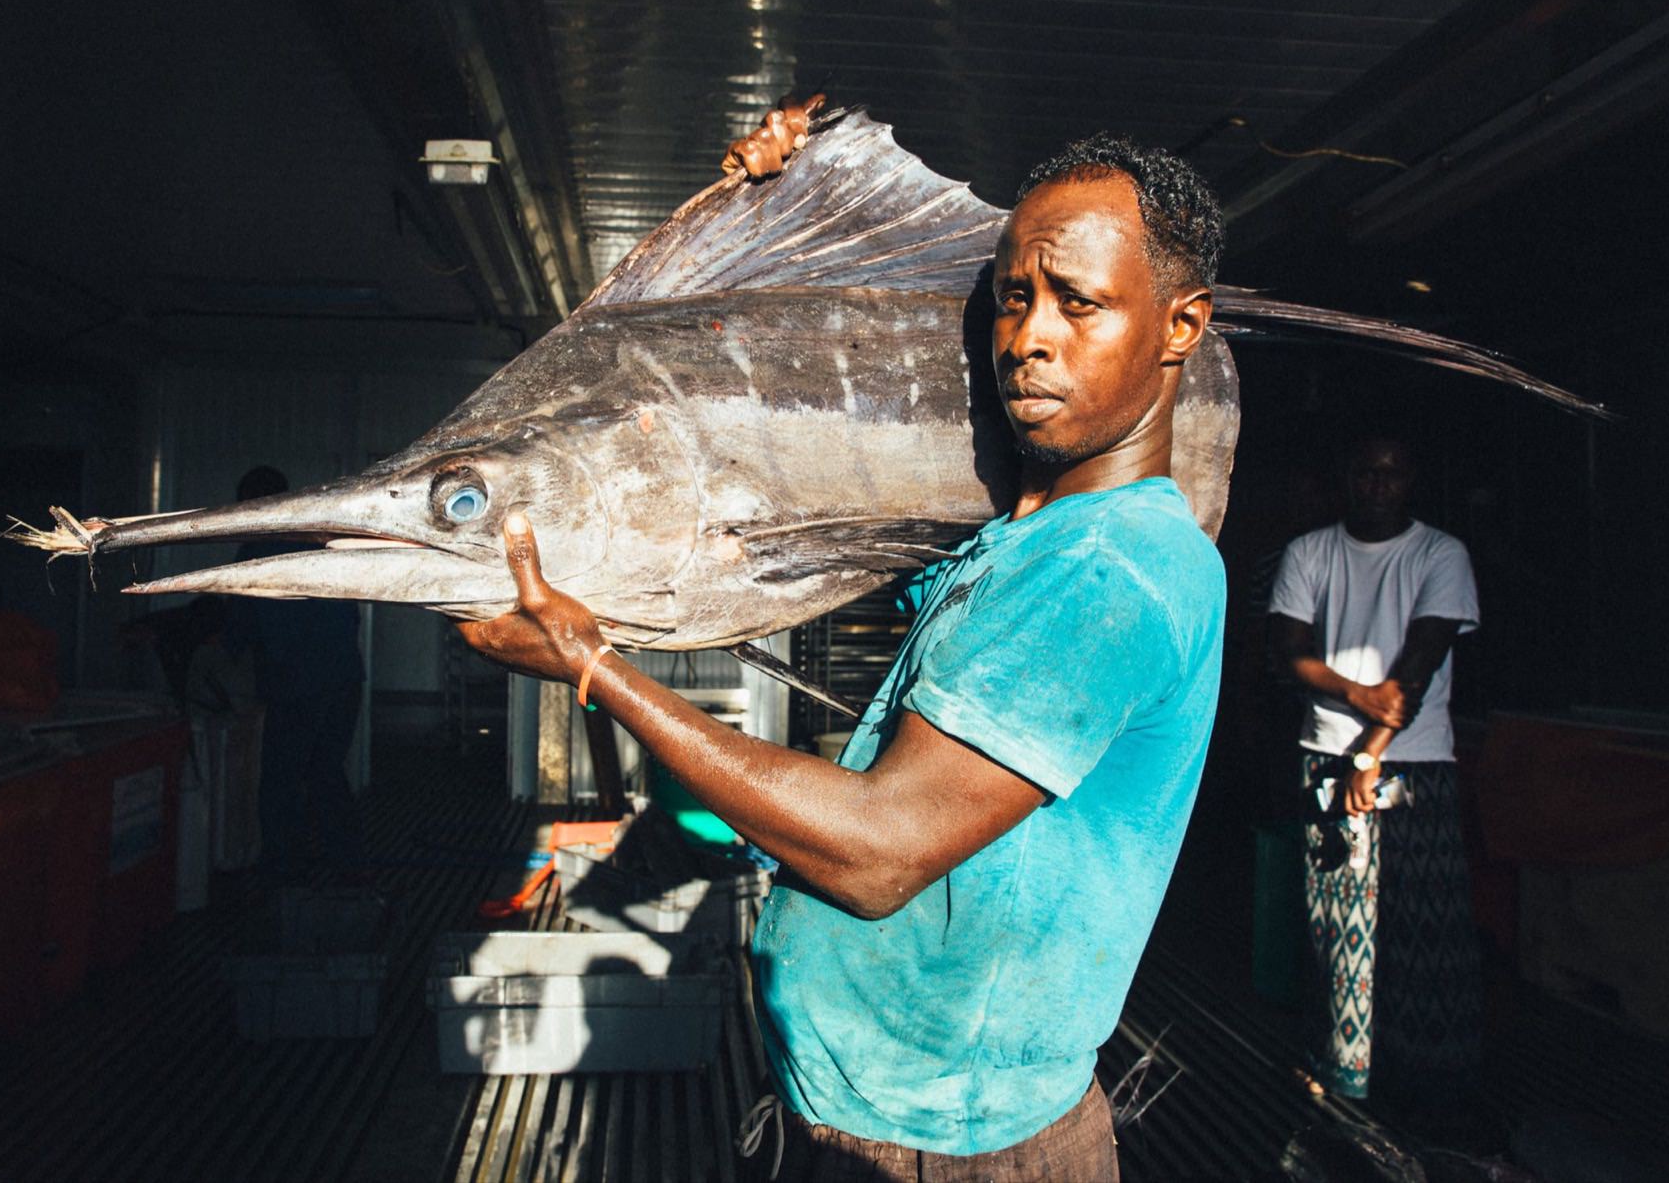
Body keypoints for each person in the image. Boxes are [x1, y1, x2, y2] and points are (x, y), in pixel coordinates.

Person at [457, 132, 1228, 1181]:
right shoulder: (1016, 541)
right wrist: (754, 213)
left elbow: (877, 853)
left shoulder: (1112, 569)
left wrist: (596, 666)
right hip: (858, 1117)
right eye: (1010, 298)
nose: (1025, 339)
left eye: (1076, 304)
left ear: (1179, 325)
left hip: (948, 1155)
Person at [1267, 437, 1483, 1103]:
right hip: (1325, 755)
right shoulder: (1309, 551)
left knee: (1420, 924)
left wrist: (1373, 749)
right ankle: (1343, 1071)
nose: (1379, 484)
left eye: (1392, 472)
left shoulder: (1440, 553)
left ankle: (1426, 1080)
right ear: (1348, 475)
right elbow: (1286, 654)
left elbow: (1419, 661)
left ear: (1410, 479)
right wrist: (1359, 698)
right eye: (1366, 469)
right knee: (1334, 924)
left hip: (1411, 762)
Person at [227, 465, 367, 876]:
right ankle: (346, 871)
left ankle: (284, 874)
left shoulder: (253, 553)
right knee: (326, 774)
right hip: (344, 679)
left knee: (281, 782)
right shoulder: (322, 545)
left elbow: (239, 629)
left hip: (296, 684)